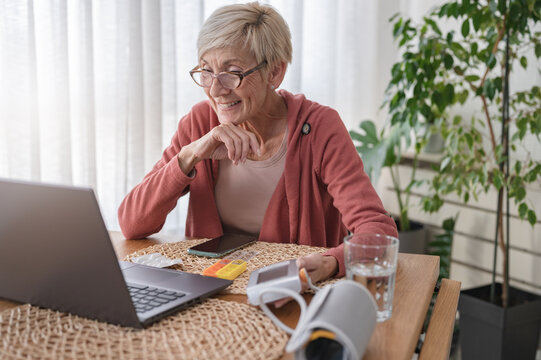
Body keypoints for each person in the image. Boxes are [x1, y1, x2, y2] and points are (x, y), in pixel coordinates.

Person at [118, 2, 397, 297]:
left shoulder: (319, 128)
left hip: (292, 297)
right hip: (209, 298)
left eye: (232, 73)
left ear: (274, 73)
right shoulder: (200, 122)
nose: (215, 90)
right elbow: (132, 223)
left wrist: (330, 262)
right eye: (206, 71)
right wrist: (190, 154)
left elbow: (378, 231)